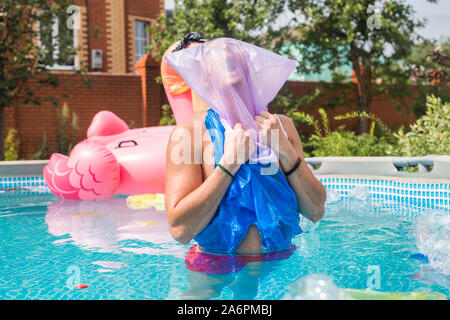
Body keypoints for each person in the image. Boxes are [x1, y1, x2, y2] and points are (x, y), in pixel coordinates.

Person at [164, 35, 326, 255]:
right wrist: (229, 164)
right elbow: (180, 230)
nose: (224, 54)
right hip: (217, 273)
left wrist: (285, 150)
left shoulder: (282, 127)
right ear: (202, 78)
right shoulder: (189, 136)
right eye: (212, 55)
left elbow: (316, 210)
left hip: (279, 266)